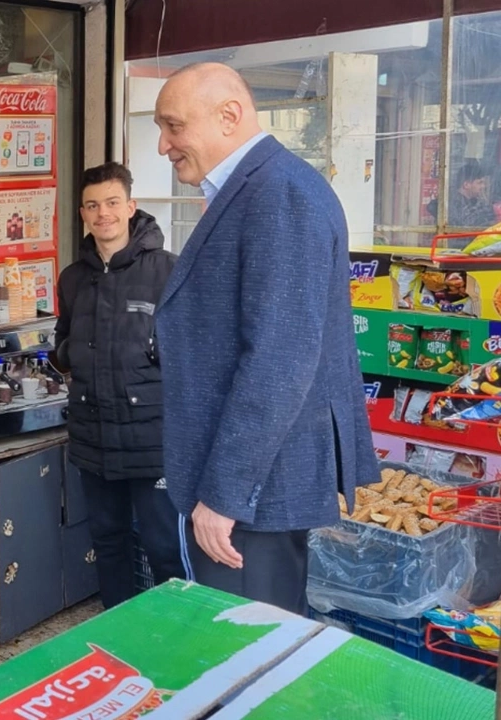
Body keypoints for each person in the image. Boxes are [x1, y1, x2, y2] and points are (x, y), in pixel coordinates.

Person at [151, 63, 377, 614]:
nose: (163, 145)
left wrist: (224, 495)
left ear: (229, 116)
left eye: (173, 126)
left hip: (255, 491)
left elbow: (279, 361)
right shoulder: (262, 187)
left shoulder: (279, 194)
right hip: (254, 484)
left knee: (245, 653)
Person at [52, 162, 184, 609]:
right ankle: (119, 634)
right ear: (82, 214)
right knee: (107, 542)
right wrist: (69, 355)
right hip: (93, 435)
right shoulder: (73, 278)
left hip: (152, 440)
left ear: (130, 207)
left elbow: (192, 350)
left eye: (111, 203)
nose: (102, 213)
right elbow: (61, 338)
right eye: (92, 205)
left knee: (164, 548)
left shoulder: (168, 271)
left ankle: (174, 639)